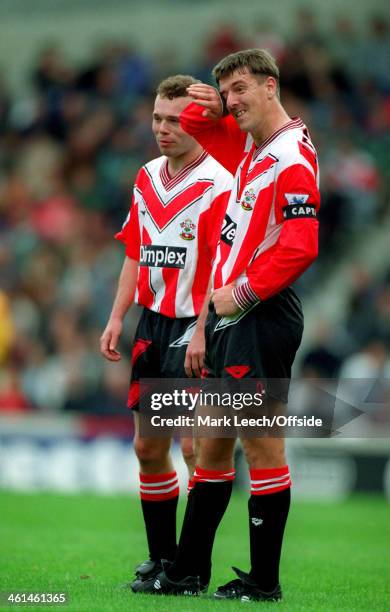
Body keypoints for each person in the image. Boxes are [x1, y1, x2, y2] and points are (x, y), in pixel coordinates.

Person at [142, 49, 320, 600]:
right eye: (227, 92)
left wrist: (236, 296)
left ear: (271, 86)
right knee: (214, 445)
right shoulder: (256, 147)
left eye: (242, 88)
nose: (233, 101)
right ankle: (187, 571)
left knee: (262, 445)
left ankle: (264, 583)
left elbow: (300, 245)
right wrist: (211, 100)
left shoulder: (290, 154)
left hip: (258, 313)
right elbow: (198, 126)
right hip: (230, 314)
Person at [100, 75, 232, 591]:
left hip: (195, 325)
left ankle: (192, 568)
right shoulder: (148, 174)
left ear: (197, 122)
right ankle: (162, 558)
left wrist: (203, 329)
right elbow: (135, 250)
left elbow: (224, 267)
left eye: (174, 120)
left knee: (197, 448)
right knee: (147, 448)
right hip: (151, 325)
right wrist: (116, 317)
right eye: (157, 118)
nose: (162, 129)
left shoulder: (219, 183)